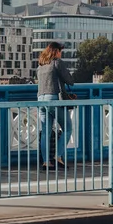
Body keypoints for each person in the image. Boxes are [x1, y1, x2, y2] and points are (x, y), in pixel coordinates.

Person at [36, 42, 74, 170]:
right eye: (60, 51)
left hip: (41, 99)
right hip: (54, 99)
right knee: (68, 129)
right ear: (56, 51)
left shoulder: (41, 66)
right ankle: (58, 157)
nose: (61, 53)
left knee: (46, 132)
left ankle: (46, 162)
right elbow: (70, 81)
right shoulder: (57, 62)